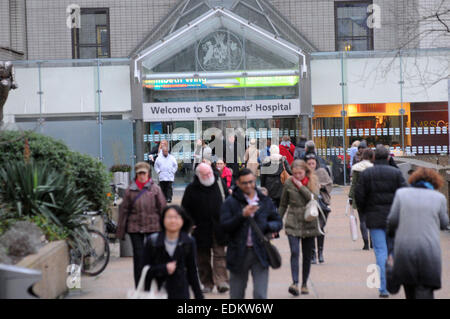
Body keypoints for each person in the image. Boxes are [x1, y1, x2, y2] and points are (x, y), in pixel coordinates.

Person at [220, 168, 283, 299]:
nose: (249, 185)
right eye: (245, 183)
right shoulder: (231, 202)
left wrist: (267, 227)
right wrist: (242, 215)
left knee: (260, 295)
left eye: (251, 182)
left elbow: (277, 221)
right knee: (236, 295)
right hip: (238, 252)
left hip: (260, 251)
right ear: (238, 183)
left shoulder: (264, 200)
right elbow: (224, 226)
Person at [387, 168, 449, 299]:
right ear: (435, 183)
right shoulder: (439, 198)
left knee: (409, 288)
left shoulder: (401, 194)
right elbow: (444, 223)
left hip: (405, 249)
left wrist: (392, 234)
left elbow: (392, 220)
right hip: (429, 250)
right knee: (426, 288)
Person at [354, 145, 407, 298]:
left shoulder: (367, 174)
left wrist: (365, 211)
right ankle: (393, 273)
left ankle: (383, 288)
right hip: (394, 217)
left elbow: (360, 194)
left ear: (375, 157)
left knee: (380, 251)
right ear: (389, 157)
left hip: (375, 217)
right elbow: (404, 192)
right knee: (393, 249)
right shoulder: (396, 173)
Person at [116, 161, 167, 287]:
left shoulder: (155, 189)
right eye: (139, 174)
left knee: (154, 257)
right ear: (136, 175)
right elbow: (124, 211)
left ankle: (156, 284)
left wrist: (167, 229)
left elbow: (163, 208)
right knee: (139, 258)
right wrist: (121, 231)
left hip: (153, 226)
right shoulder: (130, 190)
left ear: (148, 173)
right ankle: (139, 286)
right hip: (135, 228)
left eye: (144, 173)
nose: (142, 176)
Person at [181, 163, 230, 294]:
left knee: (220, 254)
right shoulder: (191, 189)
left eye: (210, 173)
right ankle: (206, 282)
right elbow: (185, 209)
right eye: (205, 174)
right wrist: (190, 224)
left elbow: (229, 200)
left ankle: (221, 281)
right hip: (200, 229)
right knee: (202, 257)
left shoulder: (219, 183)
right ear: (198, 175)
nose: (209, 176)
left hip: (218, 226)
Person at [142, 205, 203, 299]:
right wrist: (163, 269)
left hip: (181, 292)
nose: (173, 221)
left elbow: (192, 271)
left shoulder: (188, 241)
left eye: (177, 217)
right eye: (169, 217)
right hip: (157, 292)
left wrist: (199, 296)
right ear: (163, 220)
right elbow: (145, 269)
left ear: (183, 220)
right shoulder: (153, 241)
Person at [279, 160, 320, 296]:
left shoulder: (313, 181)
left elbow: (313, 198)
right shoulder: (289, 183)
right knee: (295, 252)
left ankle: (304, 284)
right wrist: (278, 220)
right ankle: (295, 282)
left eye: (300, 173)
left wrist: (300, 186)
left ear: (305, 171)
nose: (297, 176)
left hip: (309, 220)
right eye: (295, 173)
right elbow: (283, 204)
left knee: (307, 255)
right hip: (293, 220)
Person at [305, 153, 332, 264]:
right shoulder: (304, 174)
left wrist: (322, 186)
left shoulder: (322, 172)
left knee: (320, 228)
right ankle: (312, 254)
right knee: (311, 229)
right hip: (309, 204)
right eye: (309, 163)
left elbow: (329, 184)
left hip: (322, 204)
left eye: (313, 163)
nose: (311, 165)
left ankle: (320, 253)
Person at [348, 148, 375, 250]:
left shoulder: (356, 168)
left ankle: (366, 243)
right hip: (371, 196)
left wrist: (350, 196)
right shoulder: (374, 167)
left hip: (359, 196)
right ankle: (372, 242)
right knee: (372, 219)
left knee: (362, 220)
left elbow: (353, 184)